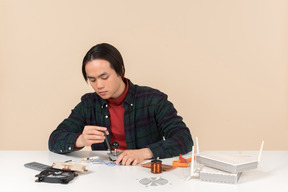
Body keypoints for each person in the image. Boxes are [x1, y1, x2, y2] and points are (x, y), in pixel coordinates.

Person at [49, 43, 193, 166]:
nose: (99, 85)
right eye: (92, 80)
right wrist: (80, 140)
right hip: (104, 176)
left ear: (121, 71)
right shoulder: (89, 104)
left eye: (104, 77)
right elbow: (54, 139)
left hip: (144, 173)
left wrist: (145, 153)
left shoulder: (153, 100)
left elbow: (184, 138)